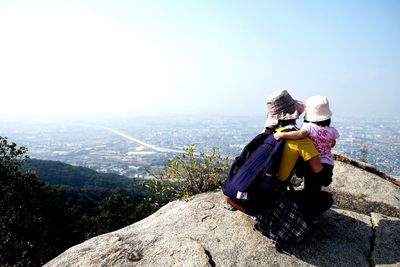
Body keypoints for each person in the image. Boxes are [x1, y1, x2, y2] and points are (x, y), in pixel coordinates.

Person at [254, 89, 333, 251]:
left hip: (257, 194)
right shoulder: (303, 141)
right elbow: (323, 178)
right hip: (274, 199)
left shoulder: (266, 132)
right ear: (295, 114)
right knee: (325, 199)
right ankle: (305, 220)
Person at [273, 96, 340, 192]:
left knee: (309, 182)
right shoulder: (332, 130)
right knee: (315, 187)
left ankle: (304, 190)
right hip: (327, 163)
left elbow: (300, 134)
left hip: (311, 161)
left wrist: (282, 134)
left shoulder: (309, 127)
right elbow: (332, 143)